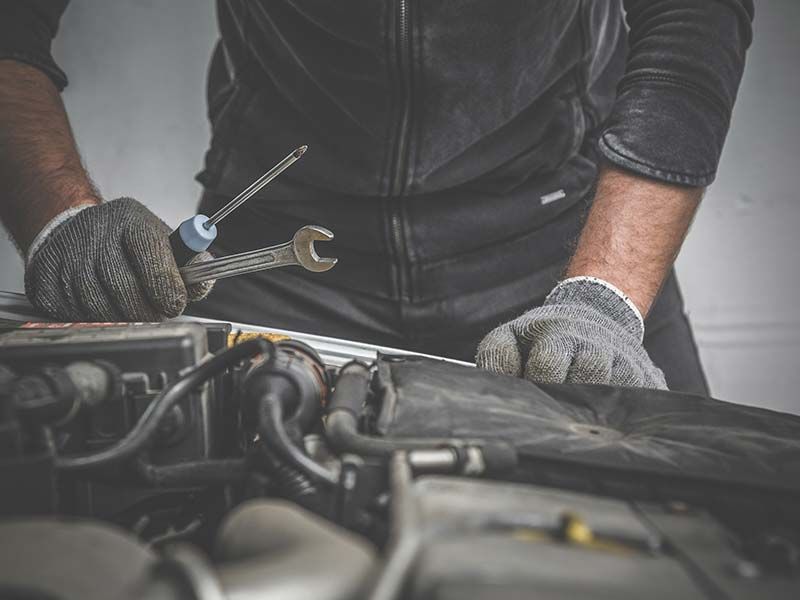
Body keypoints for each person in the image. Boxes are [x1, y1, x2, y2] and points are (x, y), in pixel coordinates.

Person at [0, 1, 754, 394]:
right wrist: (59, 218)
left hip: (555, 247)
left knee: (696, 531)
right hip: (280, 260)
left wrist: (605, 299)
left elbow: (694, 16)